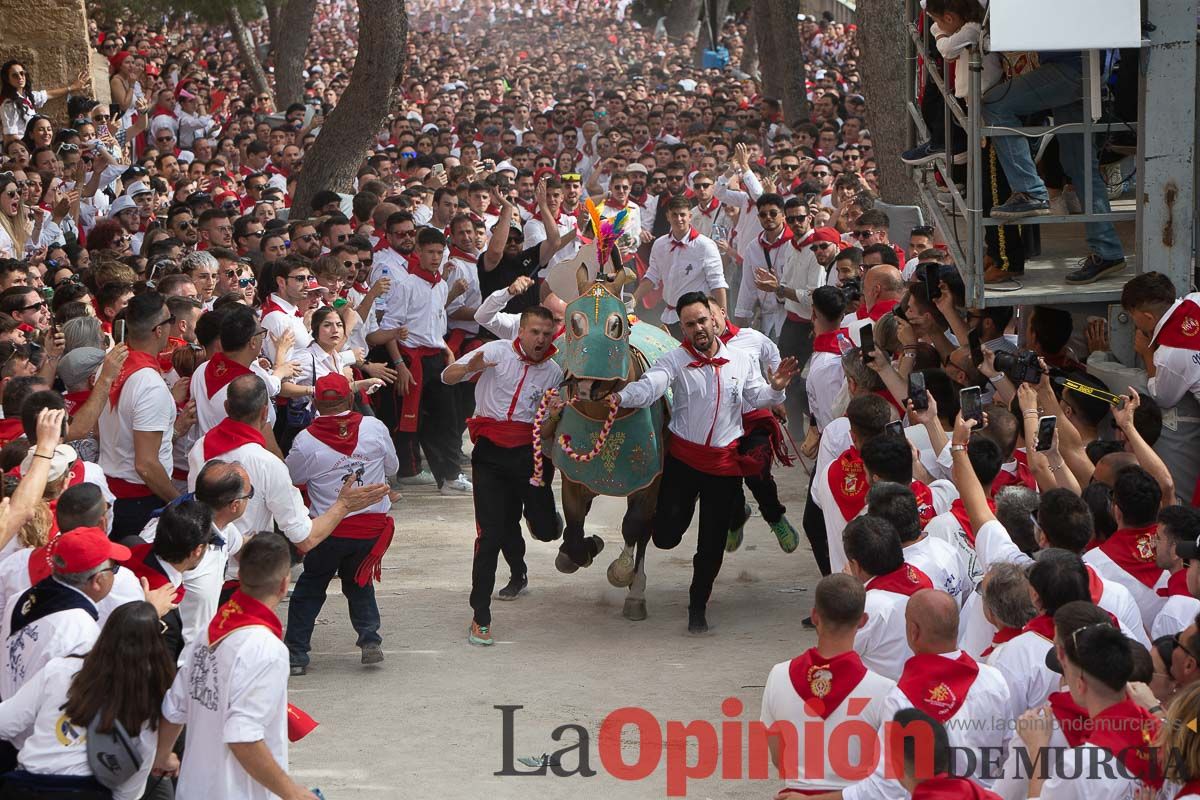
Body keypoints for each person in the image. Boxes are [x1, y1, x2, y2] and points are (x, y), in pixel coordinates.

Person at [610, 291, 797, 633]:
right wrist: (619, 397)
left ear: (714, 320)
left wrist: (778, 389)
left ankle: (697, 607)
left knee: (710, 546)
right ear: (681, 328)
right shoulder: (674, 361)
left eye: (701, 321)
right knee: (665, 537)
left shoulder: (740, 360)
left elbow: (758, 397)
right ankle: (642, 546)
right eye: (688, 324)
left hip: (723, 467)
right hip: (683, 462)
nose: (697, 328)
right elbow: (650, 388)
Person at [156, 533, 320, 800]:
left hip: (193, 789)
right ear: (283, 584)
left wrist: (163, 756)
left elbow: (175, 706)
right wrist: (293, 793)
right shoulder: (266, 648)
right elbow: (243, 736)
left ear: (240, 576)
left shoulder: (210, 632)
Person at [442, 304, 563, 646]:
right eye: (534, 332)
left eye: (546, 333)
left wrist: (555, 413)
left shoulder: (554, 372)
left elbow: (552, 426)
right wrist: (471, 366)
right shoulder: (495, 351)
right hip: (490, 454)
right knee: (491, 533)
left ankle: (547, 525)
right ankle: (480, 615)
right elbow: (446, 377)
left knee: (543, 529)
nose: (540, 339)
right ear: (521, 332)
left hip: (530, 454)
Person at [284, 374, 399, 674]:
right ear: (350, 399)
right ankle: (369, 639)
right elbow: (393, 467)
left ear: (316, 403)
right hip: (371, 529)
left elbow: (292, 479)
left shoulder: (305, 440)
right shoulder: (374, 427)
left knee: (310, 589)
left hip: (329, 530)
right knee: (359, 582)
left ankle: (296, 654)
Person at [0, 601, 173, 800]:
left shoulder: (60, 670)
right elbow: (138, 766)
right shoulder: (147, 696)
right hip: (86, 791)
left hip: (24, 787)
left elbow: (5, 722)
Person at [759, 574, 896, 796]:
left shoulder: (778, 676)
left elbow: (779, 759)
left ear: (815, 616)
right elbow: (887, 779)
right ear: (863, 620)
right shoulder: (884, 690)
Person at [369, 227, 471, 493]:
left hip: (436, 356)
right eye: (430, 252)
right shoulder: (405, 285)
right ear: (418, 252)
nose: (435, 257)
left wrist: (446, 350)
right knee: (409, 419)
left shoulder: (441, 285)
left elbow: (436, 322)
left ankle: (450, 476)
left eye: (440, 252)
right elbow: (391, 328)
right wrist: (400, 365)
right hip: (411, 358)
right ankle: (407, 470)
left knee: (448, 418)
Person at [2, 526, 130, 700]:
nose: (115, 573)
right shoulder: (83, 635)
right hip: (34, 723)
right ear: (98, 580)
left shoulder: (19, 598)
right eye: (114, 568)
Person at [98, 292, 181, 536]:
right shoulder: (149, 384)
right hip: (141, 500)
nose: (172, 326)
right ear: (158, 330)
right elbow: (145, 464)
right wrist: (179, 502)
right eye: (170, 320)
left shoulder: (110, 364)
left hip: (114, 491)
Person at [632, 196, 727, 338]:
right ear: (668, 217)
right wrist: (633, 299)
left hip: (697, 318)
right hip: (669, 317)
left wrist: (722, 317)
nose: (679, 219)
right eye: (674, 215)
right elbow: (652, 276)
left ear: (690, 216)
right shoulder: (659, 244)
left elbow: (717, 283)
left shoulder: (705, 246)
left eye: (682, 214)